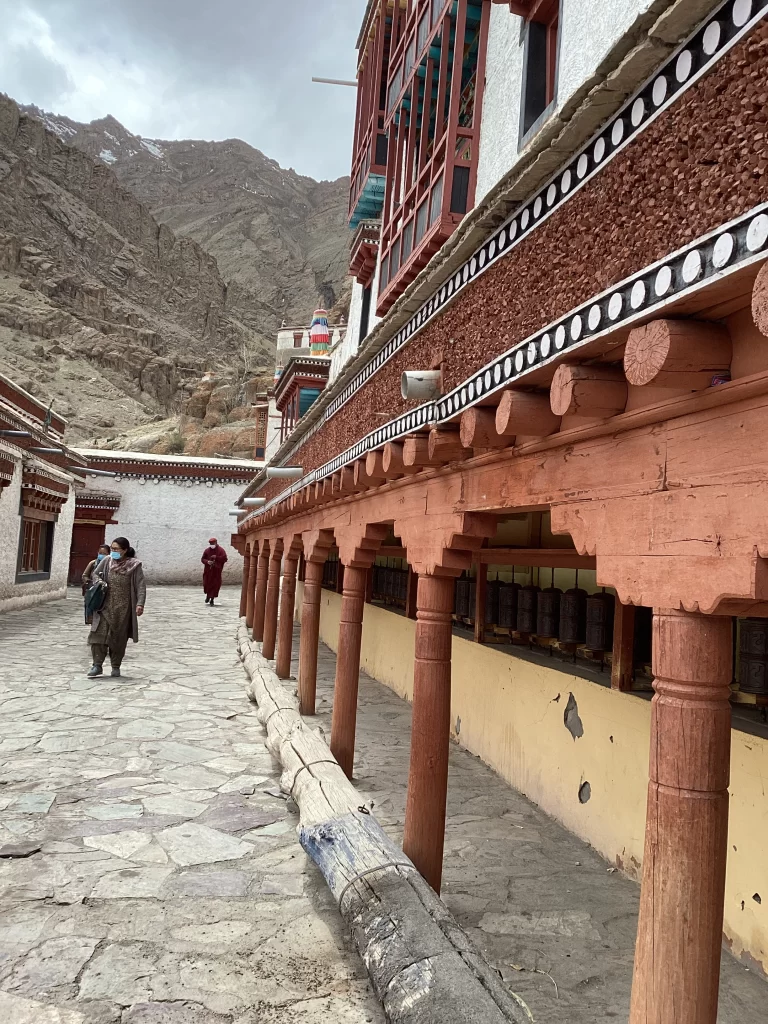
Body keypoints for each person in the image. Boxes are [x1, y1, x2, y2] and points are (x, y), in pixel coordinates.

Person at [86, 537, 146, 678]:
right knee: (98, 635)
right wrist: (100, 581)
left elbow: (140, 586)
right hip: (104, 606)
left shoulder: (135, 565)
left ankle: (115, 666)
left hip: (123, 608)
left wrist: (140, 603)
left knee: (119, 638)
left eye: (116, 549)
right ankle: (97, 665)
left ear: (124, 550)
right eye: (112, 549)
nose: (113, 551)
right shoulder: (107, 561)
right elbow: (94, 574)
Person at [201, 537, 227, 606]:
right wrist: (207, 562)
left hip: (216, 572)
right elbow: (203, 559)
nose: (211, 544)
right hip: (208, 571)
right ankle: (208, 596)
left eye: (212, 543)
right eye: (210, 543)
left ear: (216, 543)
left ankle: (212, 599)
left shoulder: (221, 550)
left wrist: (217, 557)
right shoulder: (207, 551)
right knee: (207, 584)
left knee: (215, 585)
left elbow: (224, 558)